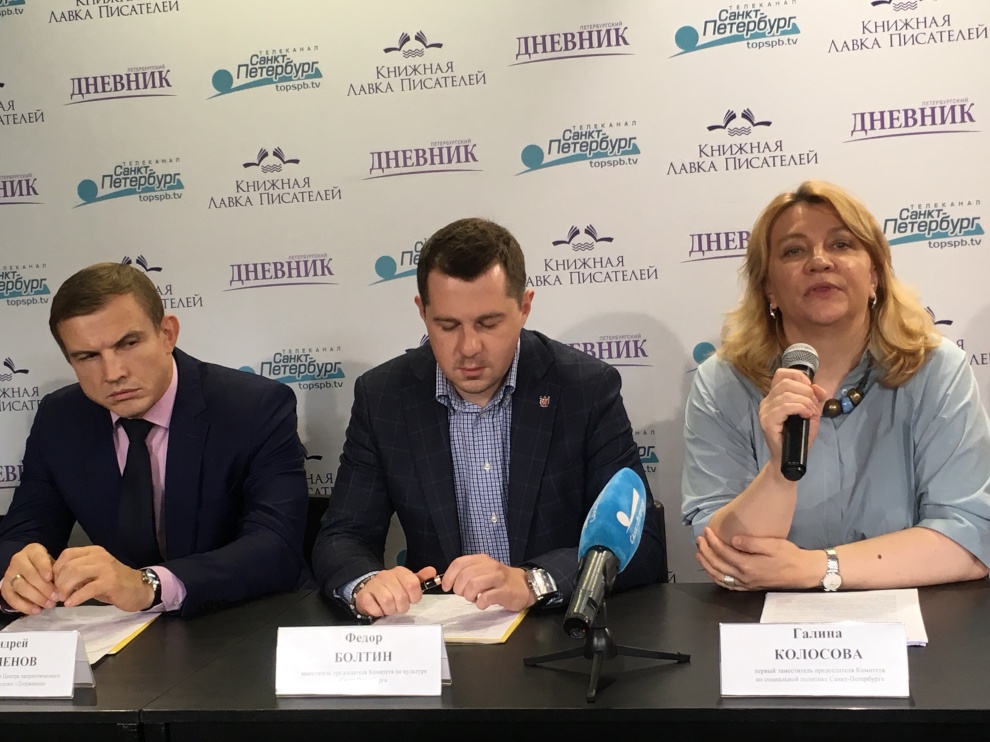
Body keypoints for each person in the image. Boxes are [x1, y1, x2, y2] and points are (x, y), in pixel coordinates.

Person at [313, 217, 664, 618]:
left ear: (524, 307)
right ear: (422, 312)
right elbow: (342, 536)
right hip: (442, 634)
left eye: (488, 323)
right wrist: (366, 583)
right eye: (447, 325)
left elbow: (641, 543)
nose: (469, 347)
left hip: (555, 627)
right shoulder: (384, 397)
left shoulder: (584, 389)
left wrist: (534, 581)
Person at [682, 180, 990, 592]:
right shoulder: (721, 383)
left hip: (919, 618)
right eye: (794, 251)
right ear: (769, 287)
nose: (819, 261)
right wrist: (778, 471)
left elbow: (969, 537)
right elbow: (724, 557)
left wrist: (817, 568)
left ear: (875, 274)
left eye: (841, 244)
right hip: (766, 621)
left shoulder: (936, 368)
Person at [0, 263, 310, 618]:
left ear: (167, 333)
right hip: (121, 631)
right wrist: (20, 575)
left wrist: (148, 585)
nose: (113, 373)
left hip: (245, 618)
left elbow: (276, 546)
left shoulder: (253, 406)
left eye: (128, 343)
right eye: (88, 356)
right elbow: (23, 533)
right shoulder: (60, 419)